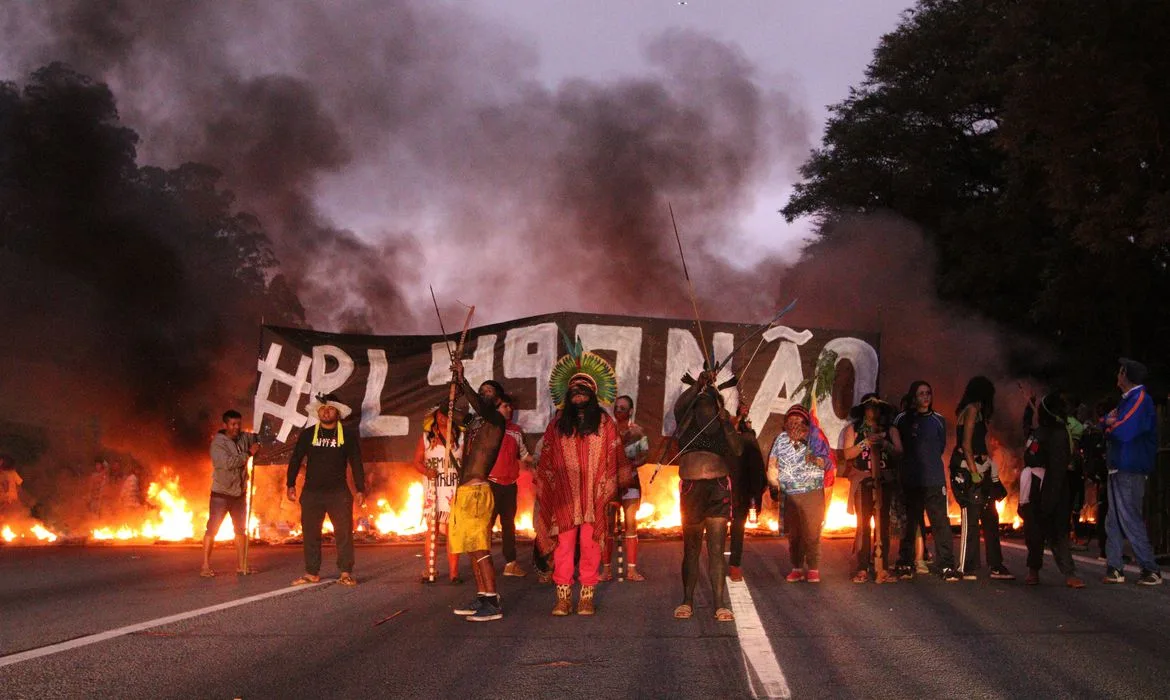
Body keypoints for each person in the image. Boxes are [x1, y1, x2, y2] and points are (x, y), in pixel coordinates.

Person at [536, 350, 631, 616]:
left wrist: (611, 487)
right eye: (574, 390)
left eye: (583, 390)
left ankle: (586, 596)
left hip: (594, 496)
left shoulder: (605, 423)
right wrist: (547, 489)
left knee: (590, 547)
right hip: (564, 500)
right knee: (563, 548)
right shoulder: (556, 425)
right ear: (567, 395)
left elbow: (615, 454)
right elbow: (545, 461)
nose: (578, 394)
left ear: (592, 393)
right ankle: (563, 597)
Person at [672, 369, 744, 621]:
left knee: (715, 548)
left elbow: (737, 449)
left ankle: (719, 603)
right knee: (691, 548)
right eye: (699, 401)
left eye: (709, 402)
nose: (704, 406)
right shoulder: (685, 419)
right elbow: (680, 405)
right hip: (692, 487)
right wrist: (697, 386)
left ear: (716, 405)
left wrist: (727, 422)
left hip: (718, 487)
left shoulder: (722, 424)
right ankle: (687, 600)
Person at [447, 365, 508, 621]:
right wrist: (454, 389)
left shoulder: (496, 419)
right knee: (471, 548)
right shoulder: (474, 422)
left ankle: (492, 601)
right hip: (463, 492)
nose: (484, 393)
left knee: (480, 548)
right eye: (481, 389)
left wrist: (464, 380)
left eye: (489, 390)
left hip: (478, 492)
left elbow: (480, 407)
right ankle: (483, 596)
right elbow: (449, 412)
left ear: (498, 399)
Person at [287, 393, 365, 587]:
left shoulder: (347, 435)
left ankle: (345, 572)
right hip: (312, 493)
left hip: (339, 493)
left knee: (343, 533)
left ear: (337, 413)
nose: (326, 411)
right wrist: (290, 484)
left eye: (330, 408)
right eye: (322, 409)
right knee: (311, 533)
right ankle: (311, 572)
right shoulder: (308, 434)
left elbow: (356, 463)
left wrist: (360, 489)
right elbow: (296, 459)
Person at [891, 380, 959, 581]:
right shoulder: (903, 419)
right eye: (921, 394)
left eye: (928, 393)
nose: (925, 397)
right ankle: (905, 561)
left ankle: (946, 564)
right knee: (911, 522)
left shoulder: (938, 420)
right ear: (914, 397)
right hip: (911, 479)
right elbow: (894, 431)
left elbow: (940, 447)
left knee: (940, 523)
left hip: (934, 480)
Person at [1102, 358, 1162, 586]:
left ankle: (1150, 569)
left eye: (1120, 371)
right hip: (1119, 466)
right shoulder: (1128, 400)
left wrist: (1108, 426)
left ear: (1126, 375)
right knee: (1113, 520)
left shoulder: (1139, 400)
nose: (1117, 376)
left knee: (1129, 518)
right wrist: (1107, 423)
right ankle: (1115, 567)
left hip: (1130, 467)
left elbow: (1122, 429)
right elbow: (1106, 420)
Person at [951, 376, 1013, 581]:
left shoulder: (973, 412)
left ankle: (996, 565)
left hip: (980, 469)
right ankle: (964, 566)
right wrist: (975, 472)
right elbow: (966, 445)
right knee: (971, 518)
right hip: (970, 471)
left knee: (990, 516)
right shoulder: (971, 411)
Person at [1019, 393, 1085, 588]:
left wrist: (1048, 500)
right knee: (1033, 532)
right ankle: (1033, 570)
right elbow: (1027, 431)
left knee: (1058, 531)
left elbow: (1056, 468)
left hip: (1052, 487)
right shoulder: (1039, 431)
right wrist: (1026, 412)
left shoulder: (1059, 434)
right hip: (1033, 488)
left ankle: (1069, 573)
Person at [768, 404, 832, 583]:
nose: (794, 422)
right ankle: (796, 566)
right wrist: (773, 484)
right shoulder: (780, 439)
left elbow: (827, 464)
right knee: (794, 534)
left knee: (812, 532)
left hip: (812, 492)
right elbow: (773, 462)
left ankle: (812, 567)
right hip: (790, 493)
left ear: (805, 421)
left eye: (798, 419)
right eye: (791, 419)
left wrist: (812, 454)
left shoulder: (815, 438)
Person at [840, 394, 896, 584]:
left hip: (883, 480)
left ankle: (883, 566)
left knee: (883, 523)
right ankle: (862, 567)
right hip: (863, 481)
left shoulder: (889, 430)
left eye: (877, 407)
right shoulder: (854, 429)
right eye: (871, 407)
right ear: (864, 409)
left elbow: (900, 452)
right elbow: (848, 454)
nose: (874, 411)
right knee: (863, 524)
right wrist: (866, 442)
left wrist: (884, 443)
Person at [201, 410, 259, 577]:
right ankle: (205, 566)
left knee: (240, 531)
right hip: (221, 494)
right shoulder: (218, 444)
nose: (236, 427)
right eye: (233, 424)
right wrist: (248, 453)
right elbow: (227, 464)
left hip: (239, 494)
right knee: (212, 529)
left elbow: (258, 438)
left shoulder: (243, 438)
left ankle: (242, 565)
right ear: (225, 425)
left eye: (238, 424)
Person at [600, 394, 650, 582]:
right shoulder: (606, 431)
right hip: (611, 484)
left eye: (622, 408)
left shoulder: (638, 432)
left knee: (631, 523)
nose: (618, 411)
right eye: (616, 407)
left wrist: (630, 466)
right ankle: (606, 570)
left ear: (630, 411)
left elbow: (645, 454)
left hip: (631, 483)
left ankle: (631, 570)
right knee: (608, 525)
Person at [413, 404, 463, 583]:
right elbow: (417, 462)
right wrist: (427, 471)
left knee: (452, 531)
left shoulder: (462, 438)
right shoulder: (426, 438)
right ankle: (430, 570)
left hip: (452, 490)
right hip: (433, 489)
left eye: (447, 414)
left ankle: (454, 573)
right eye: (440, 414)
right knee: (432, 529)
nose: (443, 417)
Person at [489, 398, 531, 578]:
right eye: (505, 406)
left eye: (511, 406)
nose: (510, 409)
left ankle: (510, 564)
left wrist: (543, 460)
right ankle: (482, 564)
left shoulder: (516, 431)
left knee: (508, 526)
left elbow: (524, 455)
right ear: (496, 408)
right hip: (490, 484)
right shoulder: (487, 428)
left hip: (510, 485)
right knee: (485, 526)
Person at [728, 404, 767, 582]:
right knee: (717, 528)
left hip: (740, 491)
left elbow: (757, 469)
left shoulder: (748, 439)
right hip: (719, 489)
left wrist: (755, 496)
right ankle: (717, 564)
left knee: (737, 527)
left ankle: (735, 564)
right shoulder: (717, 437)